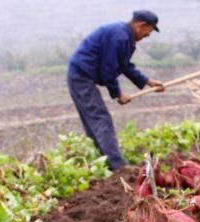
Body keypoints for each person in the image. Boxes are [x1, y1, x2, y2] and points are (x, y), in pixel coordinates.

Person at [67, 10, 165, 170]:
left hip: (84, 75)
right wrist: (118, 93)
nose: (147, 36)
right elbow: (109, 68)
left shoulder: (125, 37)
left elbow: (124, 65)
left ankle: (104, 162)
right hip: (81, 76)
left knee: (94, 121)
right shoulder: (119, 36)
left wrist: (147, 81)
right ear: (141, 25)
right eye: (148, 32)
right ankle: (118, 166)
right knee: (100, 119)